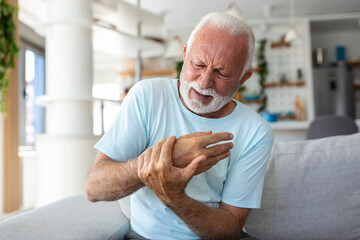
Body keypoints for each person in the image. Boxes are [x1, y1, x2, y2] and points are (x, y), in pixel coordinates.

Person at [85, 12, 273, 240]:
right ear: (185, 55)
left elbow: (230, 228)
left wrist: (175, 196)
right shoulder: (147, 96)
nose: (204, 82)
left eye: (222, 73)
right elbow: (95, 188)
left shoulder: (256, 131)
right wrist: (170, 158)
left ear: (243, 79)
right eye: (199, 64)